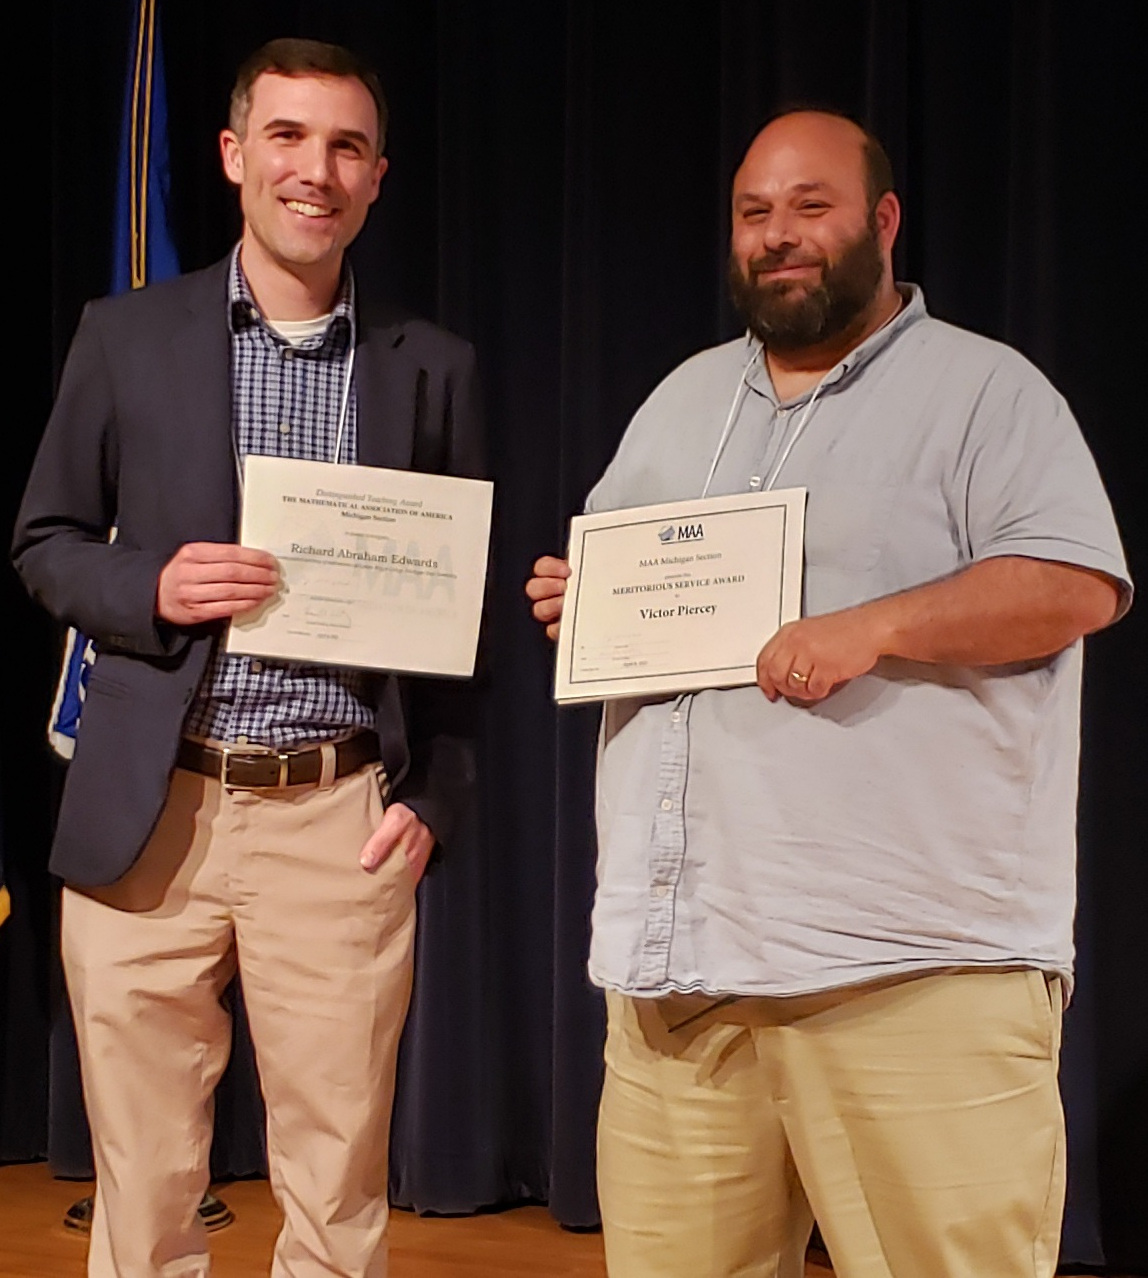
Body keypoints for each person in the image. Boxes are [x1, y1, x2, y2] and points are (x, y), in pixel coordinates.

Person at [526, 110, 1130, 1278]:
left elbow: (1073, 583)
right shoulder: (679, 402)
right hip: (681, 978)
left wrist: (874, 627)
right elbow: (636, 599)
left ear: (881, 222)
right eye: (754, 213)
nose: (777, 237)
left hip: (905, 976)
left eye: (810, 207)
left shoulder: (983, 391)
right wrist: (580, 598)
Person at [14, 38, 483, 1278]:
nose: (312, 170)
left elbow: (457, 617)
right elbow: (44, 544)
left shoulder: (433, 368)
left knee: (337, 1193)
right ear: (233, 156)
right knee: (146, 1194)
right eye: (286, 137)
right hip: (148, 807)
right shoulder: (124, 337)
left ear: (376, 177)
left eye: (343, 146)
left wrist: (434, 795)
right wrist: (150, 585)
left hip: (337, 814)